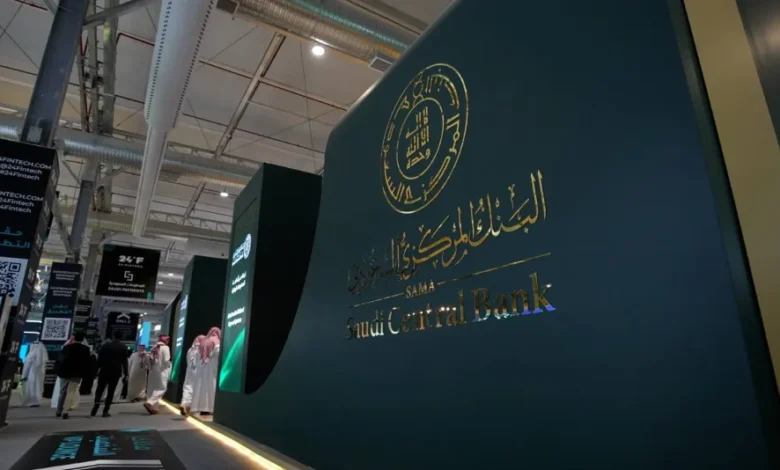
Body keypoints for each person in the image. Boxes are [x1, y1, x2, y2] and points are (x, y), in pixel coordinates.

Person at [92, 330, 128, 417]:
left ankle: (96, 403)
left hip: (104, 370)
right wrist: (126, 373)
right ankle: (105, 410)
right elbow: (124, 362)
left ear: (113, 336)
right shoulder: (123, 347)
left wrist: (97, 369)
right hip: (116, 372)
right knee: (111, 391)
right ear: (121, 337)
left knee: (100, 389)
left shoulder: (106, 345)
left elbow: (100, 359)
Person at [54, 332, 91, 419]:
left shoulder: (67, 347)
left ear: (74, 338)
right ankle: (66, 411)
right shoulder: (86, 349)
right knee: (71, 391)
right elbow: (87, 362)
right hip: (77, 374)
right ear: (82, 339)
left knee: (62, 391)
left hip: (64, 372)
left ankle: (58, 410)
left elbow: (60, 360)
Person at [191, 327, 220, 415]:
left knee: (202, 388)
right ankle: (211, 408)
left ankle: (202, 408)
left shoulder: (204, 341)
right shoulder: (216, 341)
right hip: (213, 367)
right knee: (212, 387)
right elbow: (216, 353)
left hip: (203, 368)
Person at [144, 335, 171, 415]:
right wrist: (169, 365)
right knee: (162, 388)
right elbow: (166, 360)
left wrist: (150, 367)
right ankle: (150, 403)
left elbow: (147, 359)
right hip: (161, 370)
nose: (168, 341)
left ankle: (153, 408)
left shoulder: (153, 347)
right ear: (165, 340)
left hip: (152, 371)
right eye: (168, 340)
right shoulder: (165, 348)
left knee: (152, 388)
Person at [180, 335, 205, 416]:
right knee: (197, 390)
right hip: (198, 373)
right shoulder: (201, 349)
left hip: (189, 372)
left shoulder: (190, 350)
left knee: (187, 388)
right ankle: (195, 408)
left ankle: (184, 404)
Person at [20, 341, 47, 407]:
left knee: (31, 388)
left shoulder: (31, 354)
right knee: (38, 388)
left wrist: (24, 376)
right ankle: (37, 401)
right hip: (39, 376)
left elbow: (27, 366)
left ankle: (31, 401)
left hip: (30, 375)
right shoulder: (42, 355)